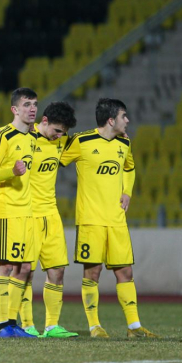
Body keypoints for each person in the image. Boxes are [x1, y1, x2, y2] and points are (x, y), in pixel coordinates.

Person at [60, 98, 159, 339]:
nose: (128, 121)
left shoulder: (124, 142)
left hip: (117, 220)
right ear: (111, 120)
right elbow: (56, 159)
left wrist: (127, 192)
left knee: (125, 273)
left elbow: (129, 168)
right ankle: (94, 326)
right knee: (92, 273)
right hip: (91, 220)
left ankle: (134, 327)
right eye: (124, 116)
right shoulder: (81, 141)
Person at [17, 101, 79, 338]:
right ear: (44, 121)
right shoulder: (24, 137)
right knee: (26, 271)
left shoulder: (61, 141)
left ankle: (52, 326)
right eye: (56, 131)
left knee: (57, 270)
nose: (59, 136)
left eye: (63, 133)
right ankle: (27, 325)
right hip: (28, 214)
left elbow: (89, 141)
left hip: (51, 214)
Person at [0, 87, 38, 338]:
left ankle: (13, 322)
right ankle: (3, 326)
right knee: (4, 266)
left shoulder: (33, 136)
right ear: (14, 109)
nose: (32, 109)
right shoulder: (2, 136)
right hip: (5, 209)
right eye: (27, 104)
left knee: (25, 267)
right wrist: (11, 173)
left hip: (26, 210)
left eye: (34, 104)